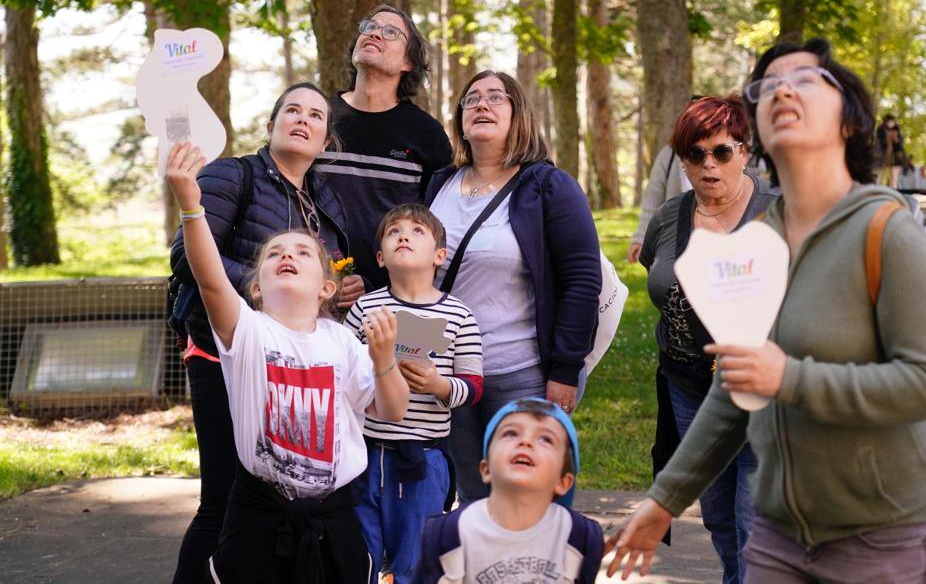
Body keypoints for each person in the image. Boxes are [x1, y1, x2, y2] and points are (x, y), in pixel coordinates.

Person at [606, 38, 926, 582]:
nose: (783, 90)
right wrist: (663, 502)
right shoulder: (758, 244)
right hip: (778, 533)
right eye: (768, 85)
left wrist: (789, 377)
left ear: (849, 120)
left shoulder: (886, 230)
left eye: (806, 80)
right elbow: (737, 384)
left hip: (883, 532)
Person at [165, 141, 410, 584]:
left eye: (302, 253)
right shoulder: (248, 332)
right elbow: (210, 278)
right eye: (275, 253)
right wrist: (190, 207)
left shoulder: (344, 343)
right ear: (255, 287)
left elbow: (391, 410)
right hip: (259, 510)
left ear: (327, 288)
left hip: (334, 514)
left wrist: (384, 360)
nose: (286, 256)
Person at [426, 70, 602, 502]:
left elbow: (583, 279)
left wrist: (564, 369)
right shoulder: (438, 184)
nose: (481, 105)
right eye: (471, 99)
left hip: (521, 374)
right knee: (471, 500)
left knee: (534, 498)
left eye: (495, 98)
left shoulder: (547, 186)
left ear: (518, 114)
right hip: (450, 377)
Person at [640, 95, 776, 584]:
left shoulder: (776, 215)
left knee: (751, 520)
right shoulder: (671, 216)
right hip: (689, 387)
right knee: (718, 514)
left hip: (760, 393)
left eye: (721, 151)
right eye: (695, 155)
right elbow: (657, 271)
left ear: (744, 152)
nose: (708, 165)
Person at [345, 204, 483, 584]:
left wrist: (439, 385)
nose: (404, 236)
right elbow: (344, 374)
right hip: (364, 455)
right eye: (394, 232)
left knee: (417, 561)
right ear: (380, 257)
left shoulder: (460, 316)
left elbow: (473, 386)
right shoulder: (364, 309)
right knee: (361, 556)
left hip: (423, 461)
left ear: (440, 255)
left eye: (417, 231)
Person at [314, 5, 452, 292]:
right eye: (369, 27)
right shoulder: (318, 117)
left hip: (390, 298)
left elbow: (436, 225)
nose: (375, 33)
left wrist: (381, 283)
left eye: (390, 32)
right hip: (312, 289)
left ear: (408, 64)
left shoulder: (427, 134)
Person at [417, 398, 604, 583]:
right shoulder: (449, 535)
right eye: (511, 434)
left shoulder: (579, 538)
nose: (525, 442)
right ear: (486, 469)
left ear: (563, 481)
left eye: (545, 439)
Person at [627, 145, 693, 264]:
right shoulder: (669, 154)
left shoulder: (724, 151)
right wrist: (640, 238)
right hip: (675, 241)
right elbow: (653, 199)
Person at [875, 114, 905, 188]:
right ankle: (877, 193)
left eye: (892, 121)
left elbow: (900, 146)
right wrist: (886, 138)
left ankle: (893, 194)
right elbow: (878, 144)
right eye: (889, 121)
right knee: (879, 177)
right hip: (882, 158)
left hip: (895, 158)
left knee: (894, 179)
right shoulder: (880, 130)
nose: (890, 123)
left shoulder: (897, 130)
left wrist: (896, 140)